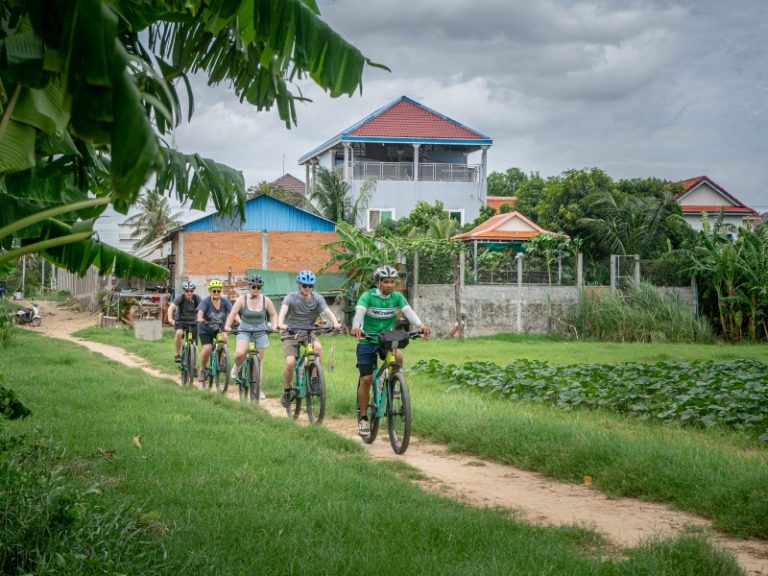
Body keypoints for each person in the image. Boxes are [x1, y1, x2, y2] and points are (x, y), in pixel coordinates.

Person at [350, 265, 430, 437]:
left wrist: (420, 326)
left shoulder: (397, 297)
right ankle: (364, 418)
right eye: (386, 282)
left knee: (398, 356)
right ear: (378, 283)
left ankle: (394, 384)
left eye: (392, 282)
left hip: (386, 339)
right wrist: (356, 328)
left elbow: (409, 312)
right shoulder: (368, 296)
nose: (390, 285)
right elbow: (360, 312)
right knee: (367, 379)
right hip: (367, 339)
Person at [277, 270, 342, 407]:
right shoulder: (290, 297)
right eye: (304, 285)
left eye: (310, 286)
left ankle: (314, 379)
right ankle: (287, 390)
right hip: (290, 332)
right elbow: (282, 312)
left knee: (317, 348)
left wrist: (335, 323)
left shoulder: (317, 299)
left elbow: (327, 312)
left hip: (307, 331)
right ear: (299, 285)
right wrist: (281, 324)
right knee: (290, 363)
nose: (307, 288)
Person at [224, 275, 277, 400]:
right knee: (240, 353)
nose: (256, 289)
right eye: (254, 286)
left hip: (260, 331)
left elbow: (273, 314)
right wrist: (227, 326)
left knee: (258, 362)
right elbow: (232, 313)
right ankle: (236, 367)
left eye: (259, 287)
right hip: (245, 330)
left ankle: (258, 389)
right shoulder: (242, 299)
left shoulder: (266, 300)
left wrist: (274, 326)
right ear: (249, 287)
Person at [196, 279, 234, 382]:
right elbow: (200, 312)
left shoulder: (225, 302)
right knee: (207, 348)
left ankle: (222, 361)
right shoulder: (205, 302)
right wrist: (200, 318)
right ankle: (202, 370)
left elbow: (233, 313)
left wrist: (241, 322)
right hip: (205, 329)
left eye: (218, 291)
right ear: (210, 291)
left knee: (224, 339)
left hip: (218, 328)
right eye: (214, 291)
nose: (216, 293)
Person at [167, 281, 201, 363]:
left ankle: (194, 367)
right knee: (179, 333)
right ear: (183, 291)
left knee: (194, 346)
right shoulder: (180, 298)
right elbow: (171, 308)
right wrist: (170, 319)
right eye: (187, 291)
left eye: (191, 291)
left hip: (193, 323)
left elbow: (203, 309)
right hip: (181, 322)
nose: (189, 293)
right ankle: (178, 354)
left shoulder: (197, 298)